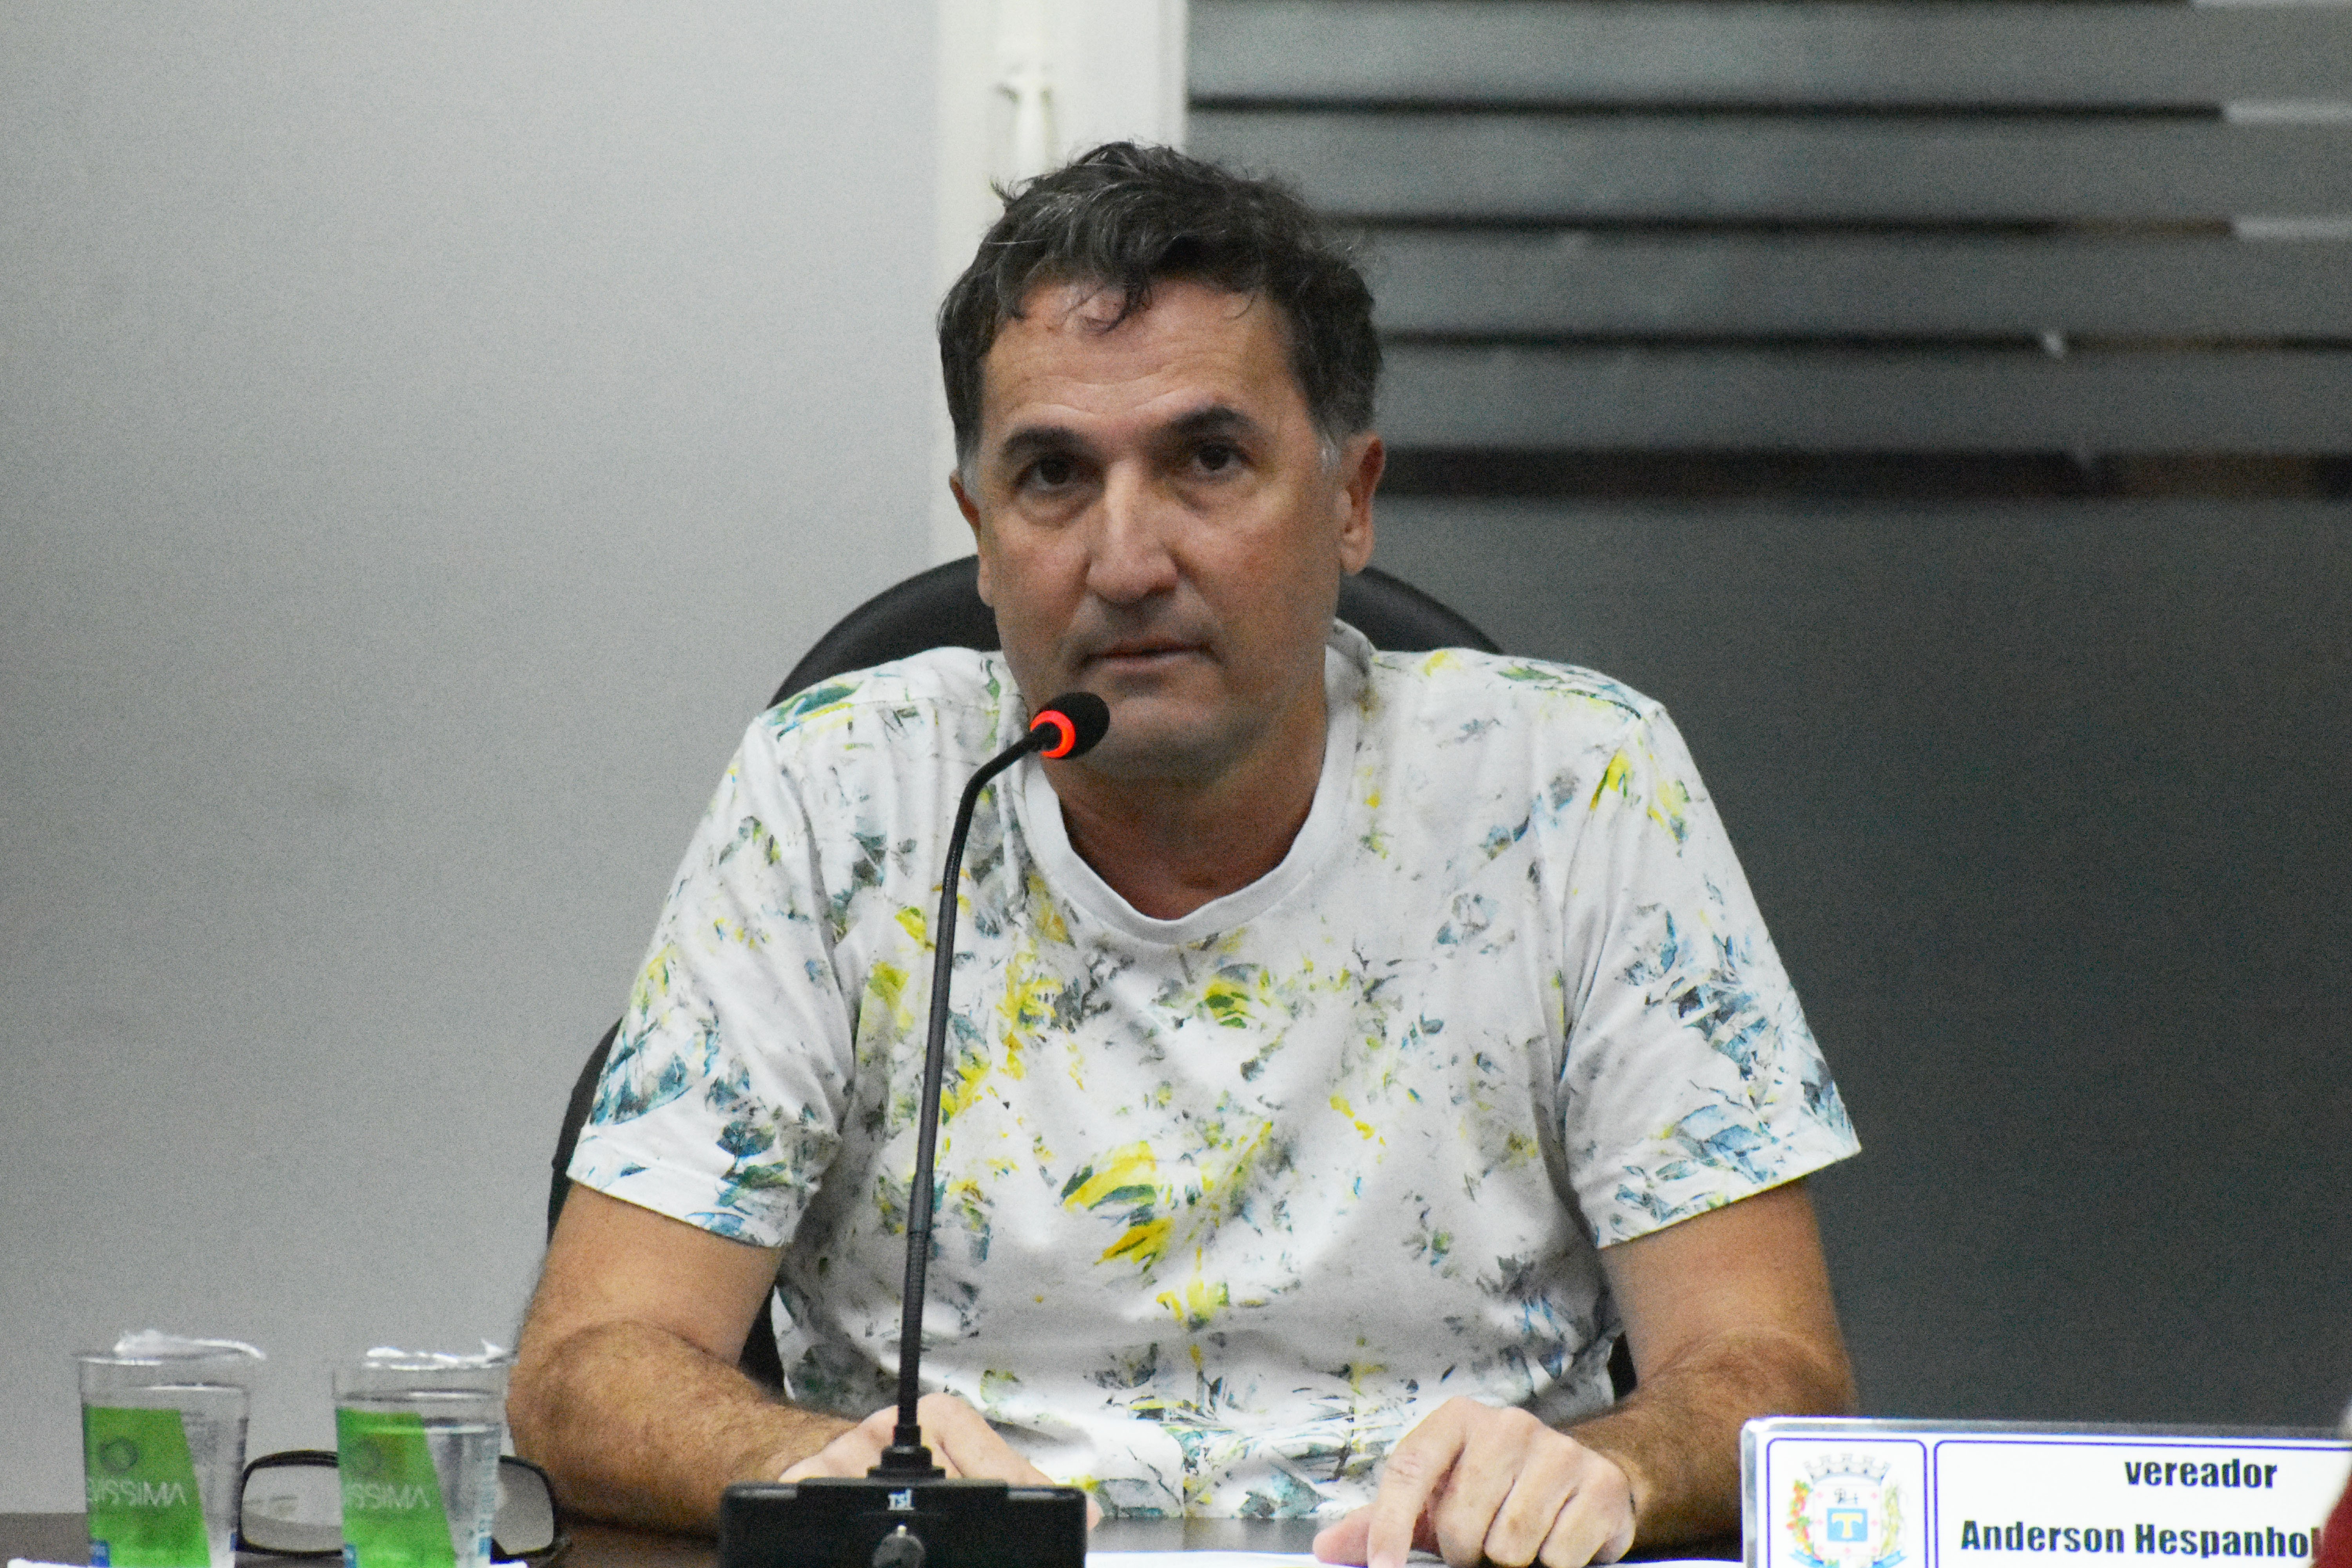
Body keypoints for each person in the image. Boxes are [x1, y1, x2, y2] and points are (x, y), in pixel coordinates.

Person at [509, 142, 1860, 1567]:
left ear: (1351, 499)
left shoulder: (1577, 786)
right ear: (980, 535)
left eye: (1208, 461)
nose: (1127, 561)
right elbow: (586, 1366)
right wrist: (829, 1475)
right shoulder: (841, 791)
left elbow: (1773, 1372)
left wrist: (1611, 1471)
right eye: (1051, 476)